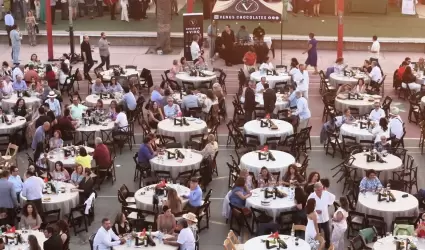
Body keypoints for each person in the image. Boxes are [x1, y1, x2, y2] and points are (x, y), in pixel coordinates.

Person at [307, 182, 335, 250]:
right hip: (317, 219)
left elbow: (333, 198)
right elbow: (308, 207)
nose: (319, 191)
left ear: (322, 188)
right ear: (314, 190)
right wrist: (315, 211)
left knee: (327, 233)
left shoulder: (326, 193)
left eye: (320, 190)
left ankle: (328, 246)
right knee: (317, 234)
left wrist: (327, 205)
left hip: (325, 217)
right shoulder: (311, 196)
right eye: (317, 190)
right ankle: (318, 247)